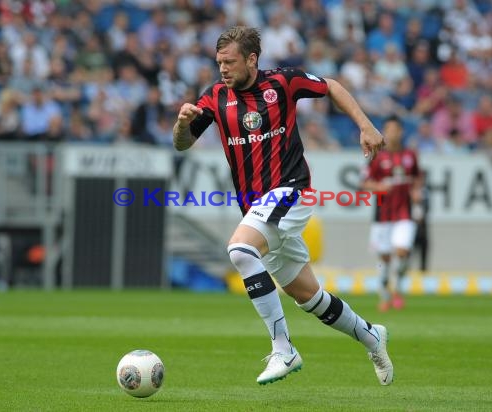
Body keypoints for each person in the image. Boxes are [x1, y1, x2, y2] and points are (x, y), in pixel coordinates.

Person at [172, 26, 393, 386]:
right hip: (256, 207)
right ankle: (372, 336)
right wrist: (182, 124)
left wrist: (365, 125)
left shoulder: (283, 83)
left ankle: (283, 349)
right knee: (307, 296)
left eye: (230, 62)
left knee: (241, 250)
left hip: (290, 191)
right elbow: (182, 144)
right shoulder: (214, 97)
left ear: (252, 59)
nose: (223, 69)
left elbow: (331, 86)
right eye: (219, 63)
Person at [362, 115, 423, 312]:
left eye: (395, 130)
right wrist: (378, 186)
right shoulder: (377, 155)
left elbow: (416, 178)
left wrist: (416, 191)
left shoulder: (410, 155)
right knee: (385, 258)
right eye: (388, 130)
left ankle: (397, 289)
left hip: (405, 213)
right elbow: (365, 182)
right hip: (382, 215)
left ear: (401, 132)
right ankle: (385, 294)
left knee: (402, 251)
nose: (392, 133)